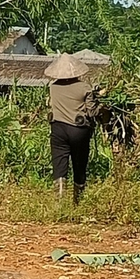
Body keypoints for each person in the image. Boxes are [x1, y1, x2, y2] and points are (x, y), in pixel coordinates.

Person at [45, 54, 99, 206]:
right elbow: (91, 112)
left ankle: (60, 202)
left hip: (58, 130)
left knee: (59, 164)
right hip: (78, 130)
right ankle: (77, 202)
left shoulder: (53, 87)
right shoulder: (85, 88)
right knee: (79, 164)